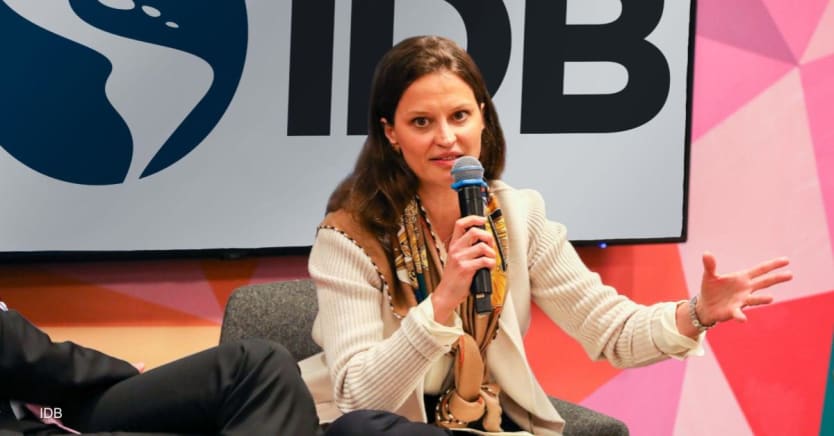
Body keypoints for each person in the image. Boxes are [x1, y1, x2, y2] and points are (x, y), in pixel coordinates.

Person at [302, 35, 793, 436]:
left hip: (485, 422)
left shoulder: (518, 216)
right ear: (391, 133)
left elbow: (611, 330)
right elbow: (359, 398)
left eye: (459, 116)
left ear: (482, 116)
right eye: (421, 123)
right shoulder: (349, 237)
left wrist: (697, 313)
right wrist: (443, 300)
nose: (446, 138)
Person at [0, 301, 322, 435]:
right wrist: (123, 369)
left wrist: (122, 372)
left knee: (255, 368)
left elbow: (29, 358)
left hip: (52, 408)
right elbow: (26, 355)